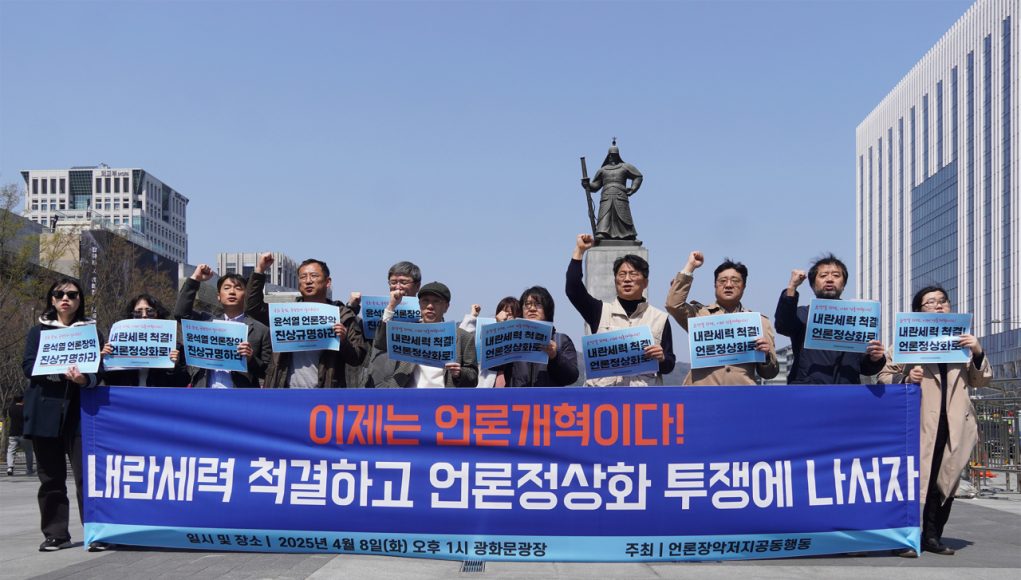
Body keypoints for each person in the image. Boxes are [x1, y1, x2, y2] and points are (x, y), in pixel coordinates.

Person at [878, 286, 991, 557]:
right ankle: (903, 537)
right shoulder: (905, 342)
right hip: (917, 424)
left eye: (943, 301)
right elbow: (883, 376)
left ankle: (932, 535)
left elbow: (980, 381)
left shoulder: (962, 345)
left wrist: (977, 351)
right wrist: (906, 378)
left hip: (954, 424)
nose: (938, 306)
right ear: (918, 311)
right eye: (930, 302)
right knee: (910, 482)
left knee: (945, 481)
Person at [21, 278, 99, 552]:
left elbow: (99, 372)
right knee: (51, 478)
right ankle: (56, 534)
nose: (66, 298)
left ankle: (96, 531)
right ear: (52, 299)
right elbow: (28, 366)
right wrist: (56, 370)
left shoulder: (91, 332)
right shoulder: (38, 332)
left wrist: (83, 380)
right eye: (59, 294)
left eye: (72, 295)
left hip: (81, 414)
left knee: (87, 477)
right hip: (44, 413)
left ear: (80, 300)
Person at [566, 234, 675, 386]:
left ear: (645, 282)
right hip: (605, 396)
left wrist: (662, 358)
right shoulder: (600, 311)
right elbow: (573, 289)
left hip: (643, 397)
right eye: (622, 274)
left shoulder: (660, 318)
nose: (627, 279)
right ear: (615, 280)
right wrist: (579, 251)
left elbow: (669, 364)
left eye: (633, 274)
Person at [246, 254, 367, 388]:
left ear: (328, 282)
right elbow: (253, 308)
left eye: (314, 276)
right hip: (284, 393)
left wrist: (343, 341)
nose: (308, 281)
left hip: (325, 395)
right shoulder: (286, 313)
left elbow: (358, 357)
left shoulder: (342, 316)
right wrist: (259, 270)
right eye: (303, 277)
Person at [665, 251, 778, 385]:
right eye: (722, 281)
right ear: (715, 285)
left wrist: (766, 357)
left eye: (735, 281)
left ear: (744, 286)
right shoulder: (699, 315)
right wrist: (690, 267)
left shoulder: (759, 322)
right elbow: (673, 304)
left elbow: (770, 373)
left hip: (742, 393)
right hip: (703, 393)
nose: (728, 285)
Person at [774, 254, 886, 383]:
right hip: (807, 390)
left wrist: (875, 358)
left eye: (836, 275)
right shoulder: (802, 314)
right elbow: (783, 326)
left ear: (843, 284)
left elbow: (864, 367)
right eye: (823, 275)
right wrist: (792, 287)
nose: (830, 279)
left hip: (846, 391)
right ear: (813, 285)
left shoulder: (857, 318)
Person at [174, 265, 272, 388]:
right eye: (226, 288)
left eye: (238, 288)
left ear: (246, 295)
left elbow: (268, 372)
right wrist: (195, 278)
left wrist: (251, 359)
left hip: (240, 396)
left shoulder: (261, 330)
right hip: (205, 393)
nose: (232, 292)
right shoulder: (206, 322)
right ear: (219, 296)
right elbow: (180, 313)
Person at [368, 282, 478, 388]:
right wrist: (391, 306)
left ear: (446, 306)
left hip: (445, 398)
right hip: (407, 397)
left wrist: (459, 373)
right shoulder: (407, 331)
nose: (430, 306)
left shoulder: (463, 337)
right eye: (425, 301)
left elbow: (473, 378)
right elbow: (381, 343)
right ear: (419, 304)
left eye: (436, 301)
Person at [346, 261, 422, 388]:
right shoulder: (379, 312)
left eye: (403, 282)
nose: (398, 287)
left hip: (413, 386)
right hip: (379, 384)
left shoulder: (426, 314)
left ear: (417, 286)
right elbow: (354, 334)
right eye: (393, 282)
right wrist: (351, 307)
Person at [101, 294, 189, 388]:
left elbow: (183, 383)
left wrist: (174, 367)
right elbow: (110, 381)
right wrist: (105, 360)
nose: (144, 315)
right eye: (138, 312)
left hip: (159, 397)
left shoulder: (175, 348)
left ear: (158, 314)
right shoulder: (118, 344)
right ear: (131, 316)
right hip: (128, 396)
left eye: (149, 311)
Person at [504, 286, 579, 387]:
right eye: (527, 305)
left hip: (547, 398)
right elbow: (493, 368)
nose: (532, 309)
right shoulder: (512, 340)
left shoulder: (561, 340)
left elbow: (571, 377)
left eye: (538, 304)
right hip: (517, 397)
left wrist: (555, 357)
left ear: (547, 309)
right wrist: (502, 332)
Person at [582, 141, 643, 241]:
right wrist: (587, 184)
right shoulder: (603, 170)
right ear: (608, 156)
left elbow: (638, 176)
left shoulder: (625, 167)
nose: (612, 157)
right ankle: (602, 232)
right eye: (610, 155)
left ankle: (628, 234)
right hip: (606, 195)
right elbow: (596, 185)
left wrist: (633, 188)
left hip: (620, 195)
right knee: (605, 214)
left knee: (623, 215)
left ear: (618, 156)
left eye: (614, 155)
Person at [460, 297, 522, 388]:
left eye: (512, 315)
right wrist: (473, 316)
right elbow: (462, 338)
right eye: (505, 313)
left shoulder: (521, 340)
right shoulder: (486, 331)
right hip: (485, 387)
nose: (507, 317)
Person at [5, 395, 34, 476]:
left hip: (13, 432)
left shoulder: (11, 408)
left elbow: (10, 417)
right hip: (24, 433)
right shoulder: (26, 408)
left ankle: (10, 467)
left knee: (11, 451)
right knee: (28, 451)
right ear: (23, 399)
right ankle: (29, 469)